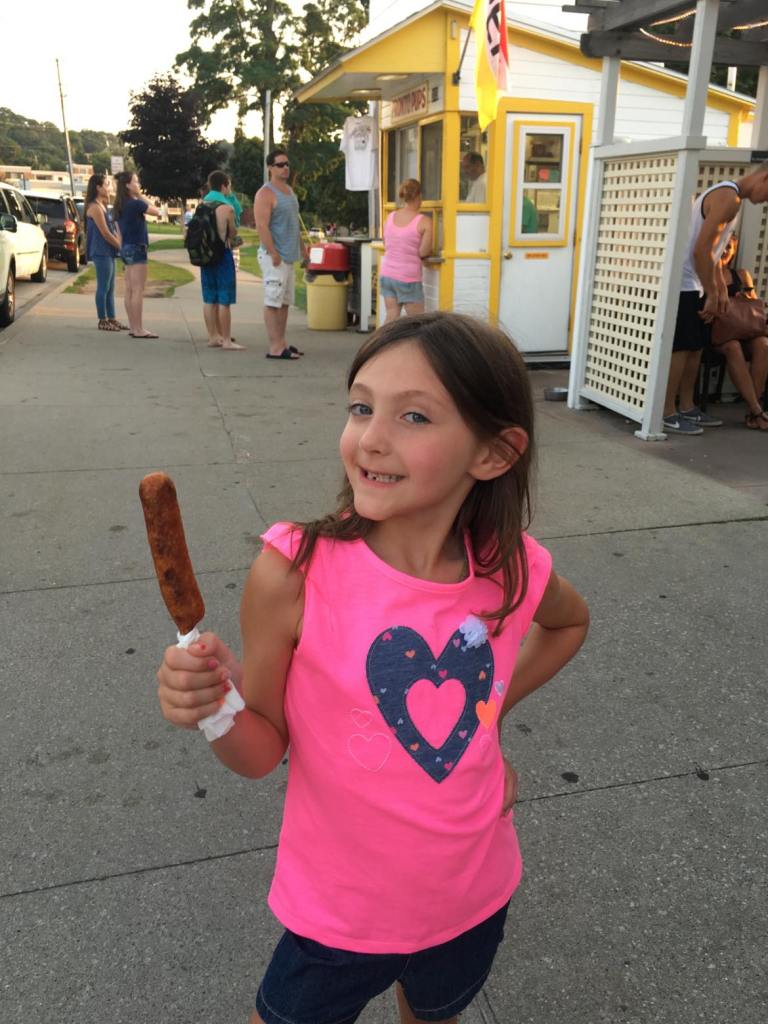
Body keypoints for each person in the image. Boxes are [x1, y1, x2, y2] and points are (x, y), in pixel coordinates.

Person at [155, 311, 590, 1024]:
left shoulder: (511, 567)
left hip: (472, 894)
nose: (370, 438)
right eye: (361, 407)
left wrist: (486, 724)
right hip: (338, 916)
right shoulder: (294, 572)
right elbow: (261, 751)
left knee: (435, 1014)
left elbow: (569, 623)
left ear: (494, 453)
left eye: (413, 416)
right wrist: (215, 706)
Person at [663, 162, 768, 435]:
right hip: (686, 283)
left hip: (697, 282)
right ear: (765, 178)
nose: (766, 201)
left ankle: (687, 407)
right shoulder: (728, 198)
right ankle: (667, 412)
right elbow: (700, 250)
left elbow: (715, 252)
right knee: (682, 349)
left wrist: (719, 287)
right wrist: (711, 290)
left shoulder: (732, 198)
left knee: (696, 348)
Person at [254, 149, 307, 360]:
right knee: (272, 301)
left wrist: (303, 249)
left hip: (289, 256)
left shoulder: (290, 192)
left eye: (287, 164)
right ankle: (274, 347)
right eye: (280, 165)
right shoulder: (265, 193)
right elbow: (262, 226)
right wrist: (273, 253)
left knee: (284, 303)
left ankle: (281, 342)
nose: (285, 168)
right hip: (274, 257)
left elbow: (294, 224)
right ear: (270, 168)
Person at [711, 235, 768, 430]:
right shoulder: (708, 274)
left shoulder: (742, 275)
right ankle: (756, 411)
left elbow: (754, 304)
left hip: (744, 330)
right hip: (720, 333)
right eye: (722, 247)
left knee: (763, 344)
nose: (726, 251)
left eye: (730, 247)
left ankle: (753, 411)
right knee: (733, 347)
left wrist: (745, 296)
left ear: (734, 250)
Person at [199, 170, 245, 351]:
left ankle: (213, 337)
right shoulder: (227, 208)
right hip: (223, 255)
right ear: (224, 186)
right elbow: (232, 233)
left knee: (209, 298)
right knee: (224, 300)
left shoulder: (202, 204)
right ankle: (226, 340)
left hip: (206, 256)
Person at [113, 171, 162, 339]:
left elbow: (118, 233)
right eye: (135, 181)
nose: (138, 184)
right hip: (137, 248)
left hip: (125, 248)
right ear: (128, 185)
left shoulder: (119, 206)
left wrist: (121, 251)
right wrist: (140, 195)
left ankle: (133, 327)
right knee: (138, 290)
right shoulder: (135, 204)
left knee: (129, 289)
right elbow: (157, 212)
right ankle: (139, 328)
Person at [380, 179, 432, 322]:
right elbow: (423, 252)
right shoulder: (424, 221)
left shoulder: (390, 217)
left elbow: (386, 244)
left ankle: (384, 338)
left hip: (387, 275)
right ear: (419, 196)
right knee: (418, 321)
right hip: (408, 277)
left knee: (391, 316)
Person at [84, 173, 125, 332]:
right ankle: (102, 320)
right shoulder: (94, 207)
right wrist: (120, 247)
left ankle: (111, 318)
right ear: (98, 187)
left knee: (110, 288)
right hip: (101, 251)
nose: (109, 188)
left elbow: (112, 229)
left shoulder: (102, 205)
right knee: (103, 287)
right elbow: (105, 233)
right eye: (106, 185)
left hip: (108, 251)